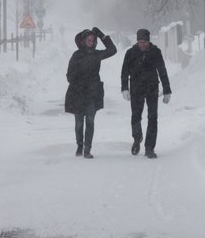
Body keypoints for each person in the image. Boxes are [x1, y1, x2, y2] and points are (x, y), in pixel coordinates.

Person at [64, 27, 117, 158]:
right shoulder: (76, 56)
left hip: (93, 94)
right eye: (89, 40)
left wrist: (101, 35)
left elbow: (112, 50)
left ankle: (87, 149)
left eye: (93, 40)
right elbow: (69, 75)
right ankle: (79, 145)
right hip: (78, 94)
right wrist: (79, 81)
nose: (91, 42)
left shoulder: (97, 54)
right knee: (79, 124)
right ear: (83, 41)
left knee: (90, 121)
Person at [121, 28, 172, 159]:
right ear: (137, 41)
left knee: (152, 117)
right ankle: (137, 139)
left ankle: (149, 147)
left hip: (151, 88)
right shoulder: (131, 53)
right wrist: (125, 88)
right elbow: (124, 72)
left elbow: (162, 71)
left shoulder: (155, 52)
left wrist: (166, 89)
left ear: (149, 41)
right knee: (136, 116)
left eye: (144, 42)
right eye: (140, 42)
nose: (142, 44)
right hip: (136, 88)